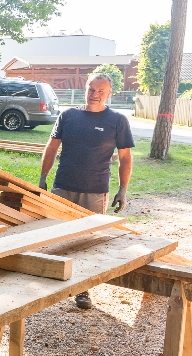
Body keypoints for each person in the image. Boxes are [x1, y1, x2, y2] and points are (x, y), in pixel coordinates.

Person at [39, 72, 134, 309]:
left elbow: (125, 158)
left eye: (101, 91)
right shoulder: (68, 116)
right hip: (63, 186)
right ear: (85, 89)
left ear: (109, 93)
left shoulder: (117, 120)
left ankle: (83, 289)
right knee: (57, 237)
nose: (95, 95)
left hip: (95, 190)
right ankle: (51, 285)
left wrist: (123, 189)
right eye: (91, 89)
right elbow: (51, 148)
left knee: (88, 241)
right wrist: (43, 178)